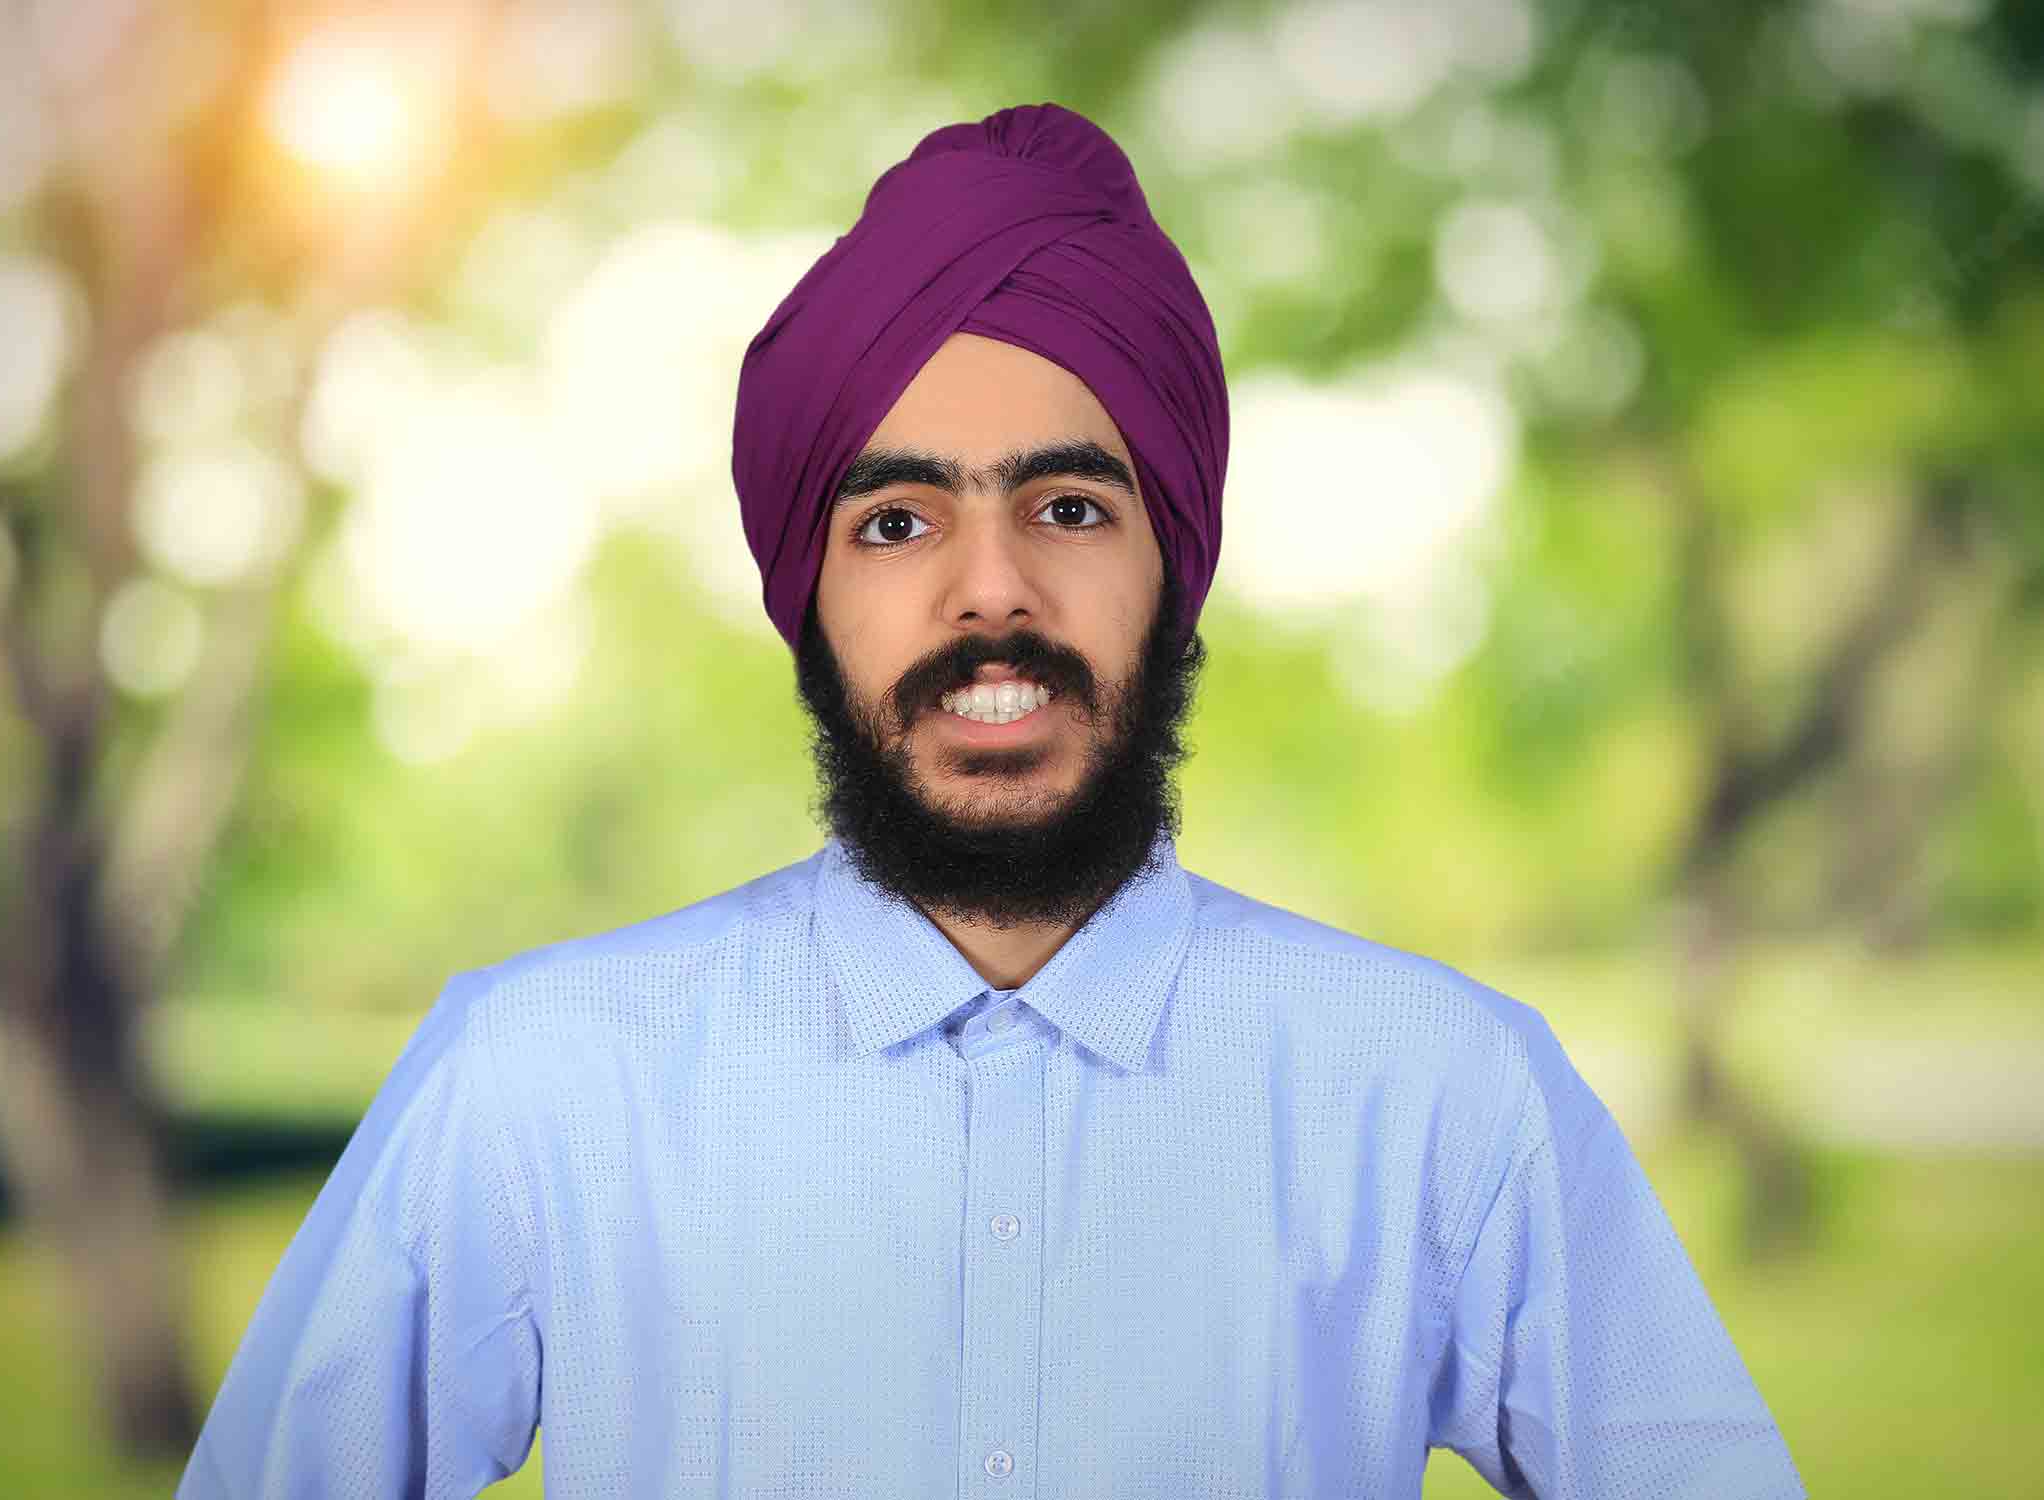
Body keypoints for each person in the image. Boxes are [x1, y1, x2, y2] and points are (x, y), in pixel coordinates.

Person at [179, 103, 1804, 1499]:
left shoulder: (1443, 1098)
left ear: (1175, 571)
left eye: (1071, 504)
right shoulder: (536, 1087)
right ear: (804, 592)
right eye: (897, 523)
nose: (993, 593)